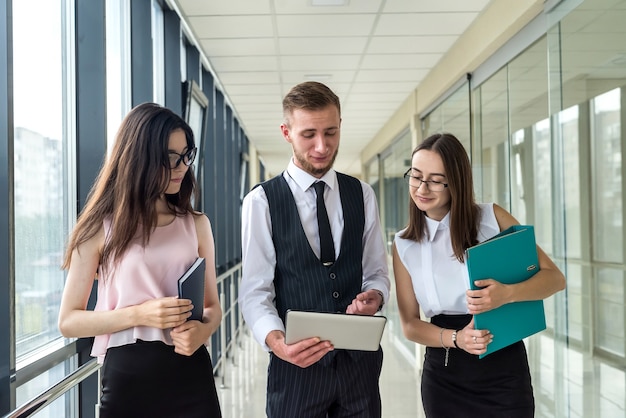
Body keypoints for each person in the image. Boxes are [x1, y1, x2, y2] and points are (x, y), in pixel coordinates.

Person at [58, 103, 222, 418]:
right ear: (139, 158)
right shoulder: (99, 228)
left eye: (186, 155)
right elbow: (68, 321)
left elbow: (213, 305)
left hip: (191, 371)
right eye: (171, 159)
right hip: (127, 378)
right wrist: (140, 314)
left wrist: (203, 332)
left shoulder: (196, 224)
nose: (182, 167)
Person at [239, 81, 390, 418]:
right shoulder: (261, 202)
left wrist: (375, 296)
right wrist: (278, 343)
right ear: (286, 132)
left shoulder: (362, 194)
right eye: (309, 134)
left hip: (359, 368)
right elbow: (254, 291)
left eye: (331, 132)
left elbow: (377, 272)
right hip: (295, 370)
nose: (322, 146)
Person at [392, 132, 566, 418]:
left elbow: (554, 278)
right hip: (444, 375)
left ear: (456, 183)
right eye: (416, 175)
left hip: (503, 371)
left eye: (435, 179)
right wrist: (457, 338)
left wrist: (507, 294)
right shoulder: (404, 244)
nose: (422, 188)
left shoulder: (492, 219)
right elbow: (410, 325)